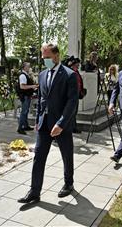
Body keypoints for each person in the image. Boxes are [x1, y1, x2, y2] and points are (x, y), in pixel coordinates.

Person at [18, 44, 78, 203]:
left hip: (61, 125)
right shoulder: (43, 75)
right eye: (43, 57)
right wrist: (38, 120)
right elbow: (42, 100)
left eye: (47, 57)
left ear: (57, 56)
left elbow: (72, 102)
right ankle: (34, 191)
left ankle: (68, 183)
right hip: (44, 123)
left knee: (66, 155)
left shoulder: (69, 75)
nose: (44, 60)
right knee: (38, 156)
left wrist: (61, 123)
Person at [17, 62, 38, 135]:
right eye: (28, 66)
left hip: (27, 95)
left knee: (26, 111)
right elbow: (22, 87)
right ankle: (20, 128)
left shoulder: (26, 75)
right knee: (24, 112)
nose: (29, 68)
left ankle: (25, 126)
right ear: (24, 67)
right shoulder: (22, 75)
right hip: (25, 96)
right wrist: (32, 86)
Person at [68, 57, 85, 134]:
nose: (78, 66)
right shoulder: (69, 71)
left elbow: (79, 83)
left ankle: (73, 127)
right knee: (71, 112)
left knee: (74, 112)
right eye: (77, 64)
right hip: (71, 95)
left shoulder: (76, 72)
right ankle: (70, 128)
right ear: (74, 64)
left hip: (76, 94)